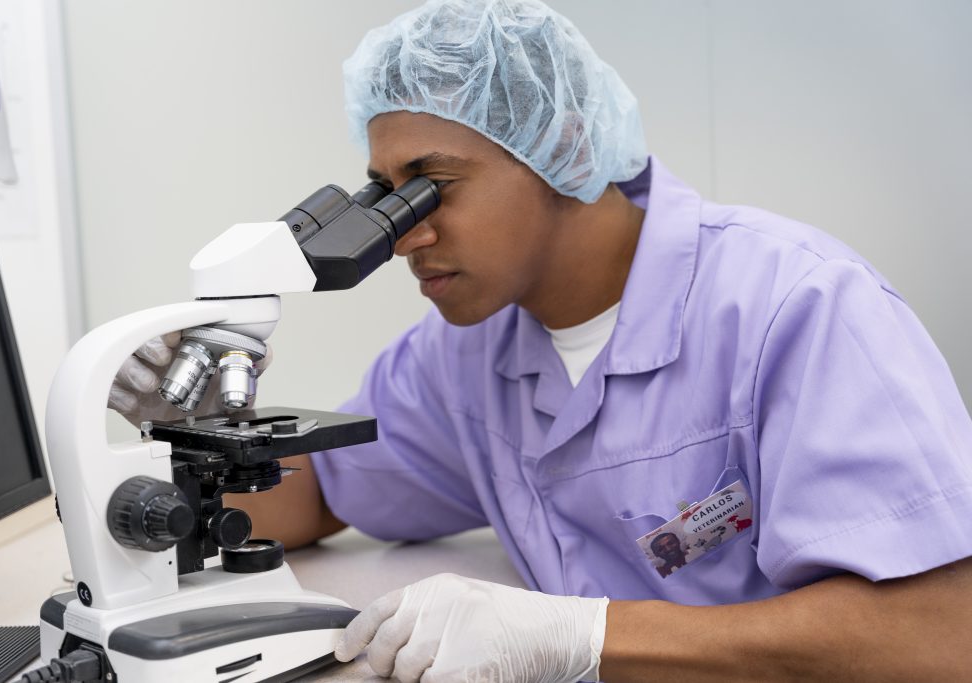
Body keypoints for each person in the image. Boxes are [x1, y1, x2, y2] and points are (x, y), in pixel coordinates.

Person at [110, 1, 972, 680]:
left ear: (559, 146)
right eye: (384, 195)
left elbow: (940, 636)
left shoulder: (798, 305)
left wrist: (580, 636)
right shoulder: (466, 354)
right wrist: (177, 444)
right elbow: (314, 496)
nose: (403, 236)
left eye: (431, 188)